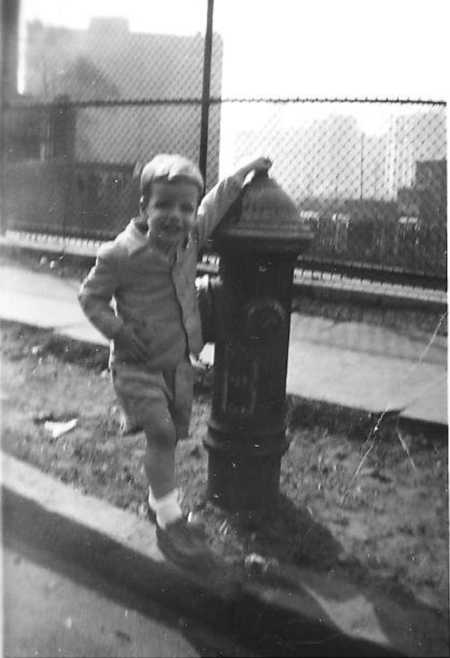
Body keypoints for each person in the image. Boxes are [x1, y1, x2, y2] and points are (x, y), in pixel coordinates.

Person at [78, 152, 272, 565]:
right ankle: (169, 518)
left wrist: (242, 174)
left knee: (169, 437)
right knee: (162, 433)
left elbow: (213, 204)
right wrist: (118, 332)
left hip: (178, 364)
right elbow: (90, 297)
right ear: (143, 207)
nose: (176, 215)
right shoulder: (120, 254)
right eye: (164, 204)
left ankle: (157, 499)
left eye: (185, 207)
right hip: (137, 365)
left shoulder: (189, 241)